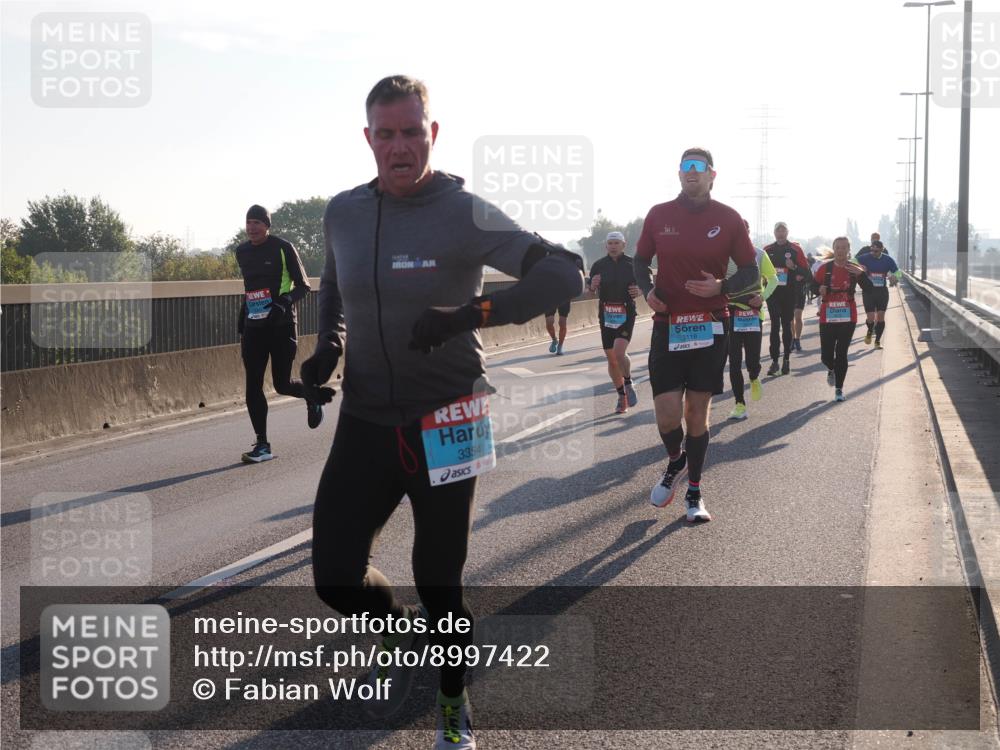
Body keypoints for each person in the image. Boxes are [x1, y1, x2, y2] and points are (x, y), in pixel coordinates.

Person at [300, 75, 584, 750]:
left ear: (434, 133)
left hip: (448, 419)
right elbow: (335, 288)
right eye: (387, 134)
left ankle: (453, 705)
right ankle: (410, 635)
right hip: (367, 419)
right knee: (335, 579)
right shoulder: (341, 212)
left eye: (412, 132)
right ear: (369, 138)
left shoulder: (464, 211)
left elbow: (565, 273)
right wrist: (326, 351)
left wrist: (469, 314)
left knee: (439, 580)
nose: (400, 147)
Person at [635, 147, 757, 522]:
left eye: (698, 167)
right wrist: (648, 292)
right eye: (685, 167)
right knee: (668, 416)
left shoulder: (729, 218)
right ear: (679, 174)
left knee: (696, 413)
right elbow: (640, 262)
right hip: (667, 326)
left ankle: (695, 494)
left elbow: (751, 271)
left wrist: (722, 286)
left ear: (711, 175)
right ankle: (677, 459)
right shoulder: (658, 215)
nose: (691, 172)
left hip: (711, 325)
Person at [235, 204, 318, 463]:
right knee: (253, 384)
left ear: (267, 225)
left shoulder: (283, 248)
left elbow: (304, 286)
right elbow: (251, 288)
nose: (252, 227)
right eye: (248, 222)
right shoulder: (242, 251)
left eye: (257, 222)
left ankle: (311, 395)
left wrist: (283, 303)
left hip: (281, 327)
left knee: (282, 384)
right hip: (254, 327)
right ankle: (262, 444)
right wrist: (243, 318)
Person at [726, 220, 779, 420]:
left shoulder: (759, 253)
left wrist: (762, 297)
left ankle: (755, 377)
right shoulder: (723, 254)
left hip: (752, 313)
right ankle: (739, 404)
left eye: (744, 231)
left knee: (752, 360)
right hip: (730, 312)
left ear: (748, 232)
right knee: (734, 361)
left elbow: (773, 279)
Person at [813, 237, 874, 401]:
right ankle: (831, 369)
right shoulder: (825, 269)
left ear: (848, 250)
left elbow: (869, 288)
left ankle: (839, 389)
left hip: (848, 317)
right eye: (837, 247)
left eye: (843, 248)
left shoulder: (855, 269)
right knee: (826, 356)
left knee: (841, 353)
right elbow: (812, 287)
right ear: (834, 249)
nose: (840, 250)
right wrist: (819, 288)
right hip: (827, 317)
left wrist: (861, 275)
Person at [589, 230, 641, 413]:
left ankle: (628, 382)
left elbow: (646, 283)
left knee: (619, 352)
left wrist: (640, 290)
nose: (612, 246)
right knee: (612, 360)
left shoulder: (633, 264)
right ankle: (621, 397)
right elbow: (590, 291)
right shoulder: (598, 265)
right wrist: (593, 286)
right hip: (606, 314)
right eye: (610, 243)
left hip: (626, 312)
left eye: (616, 243)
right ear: (606, 246)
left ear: (623, 245)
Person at [763, 222, 809, 374]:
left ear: (787, 232)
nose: (781, 233)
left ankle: (787, 360)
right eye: (778, 230)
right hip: (773, 294)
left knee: (787, 326)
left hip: (789, 294)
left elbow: (809, 275)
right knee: (775, 327)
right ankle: (775, 361)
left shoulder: (796, 250)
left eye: (783, 230)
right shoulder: (767, 250)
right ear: (774, 233)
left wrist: (794, 267)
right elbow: (757, 272)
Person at [857, 240, 901, 348]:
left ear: (881, 249)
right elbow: (853, 261)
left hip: (882, 291)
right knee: (871, 318)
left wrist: (895, 277)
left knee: (881, 317)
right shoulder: (865, 257)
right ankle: (870, 330)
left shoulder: (887, 259)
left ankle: (877, 341)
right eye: (872, 250)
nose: (873, 253)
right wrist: (859, 268)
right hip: (869, 291)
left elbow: (898, 272)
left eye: (876, 251)